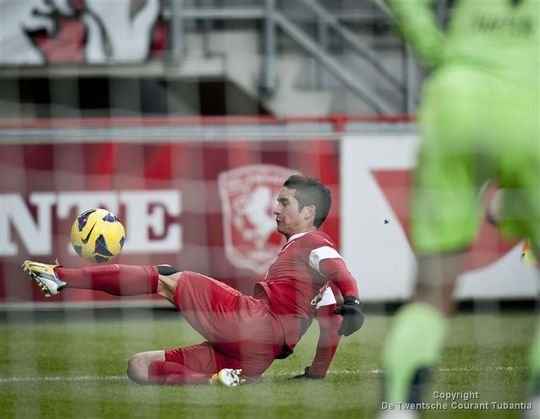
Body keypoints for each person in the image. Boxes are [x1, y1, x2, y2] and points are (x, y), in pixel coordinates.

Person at [22, 175, 364, 386]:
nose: (275, 208)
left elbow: (338, 267)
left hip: (255, 324)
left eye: (284, 202)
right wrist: (317, 372)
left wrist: (354, 298)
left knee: (167, 276)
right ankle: (216, 382)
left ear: (308, 213)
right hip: (254, 359)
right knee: (140, 367)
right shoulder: (308, 274)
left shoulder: (313, 243)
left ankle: (60, 277)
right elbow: (330, 323)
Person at [382, 0, 539, 417]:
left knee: (432, 287)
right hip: (532, 105)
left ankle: (399, 408)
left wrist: (437, 52)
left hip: (456, 99)